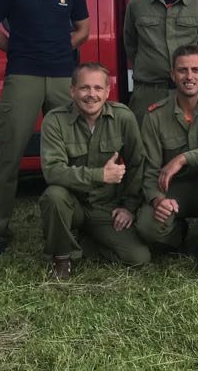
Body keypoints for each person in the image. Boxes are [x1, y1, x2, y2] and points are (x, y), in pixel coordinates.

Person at [0, 0, 90, 256]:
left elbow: (83, 28)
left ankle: (80, 222)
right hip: (23, 75)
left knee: (72, 152)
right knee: (9, 155)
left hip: (61, 76)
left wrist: (60, 47)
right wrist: (14, 47)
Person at [39, 63, 150, 279]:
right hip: (72, 204)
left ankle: (84, 242)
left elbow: (138, 163)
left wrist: (129, 207)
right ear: (72, 91)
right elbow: (52, 171)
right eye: (84, 88)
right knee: (54, 196)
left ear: (108, 91)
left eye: (98, 88)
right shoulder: (55, 120)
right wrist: (100, 175)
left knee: (139, 257)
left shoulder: (123, 117)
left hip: (106, 208)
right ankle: (61, 258)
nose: (91, 95)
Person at [135, 45, 198, 255]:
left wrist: (182, 158)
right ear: (172, 75)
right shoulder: (155, 116)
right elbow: (150, 171)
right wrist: (158, 200)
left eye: (195, 70)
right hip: (174, 191)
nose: (189, 76)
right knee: (147, 226)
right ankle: (179, 236)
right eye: (182, 70)